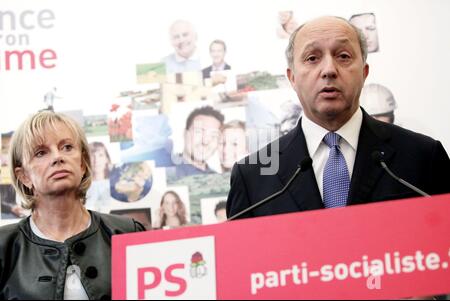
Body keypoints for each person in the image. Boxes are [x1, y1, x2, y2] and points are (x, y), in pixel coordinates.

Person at [226, 16, 450, 219]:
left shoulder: (423, 157)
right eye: (312, 58)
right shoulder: (253, 175)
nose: (329, 70)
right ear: (292, 78)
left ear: (364, 72)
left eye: (343, 56)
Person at [0, 111, 145, 300]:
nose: (58, 157)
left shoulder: (127, 233)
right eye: (41, 152)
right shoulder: (4, 246)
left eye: (67, 147)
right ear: (24, 176)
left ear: (83, 164)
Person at [171, 106, 224, 179]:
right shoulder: (164, 172)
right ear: (185, 134)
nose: (205, 141)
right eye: (199, 132)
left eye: (213, 135)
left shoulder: (218, 179)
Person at [85, 142, 112, 212]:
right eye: (92, 156)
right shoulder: (82, 187)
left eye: (100, 155)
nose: (96, 160)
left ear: (107, 159)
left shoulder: (114, 185)